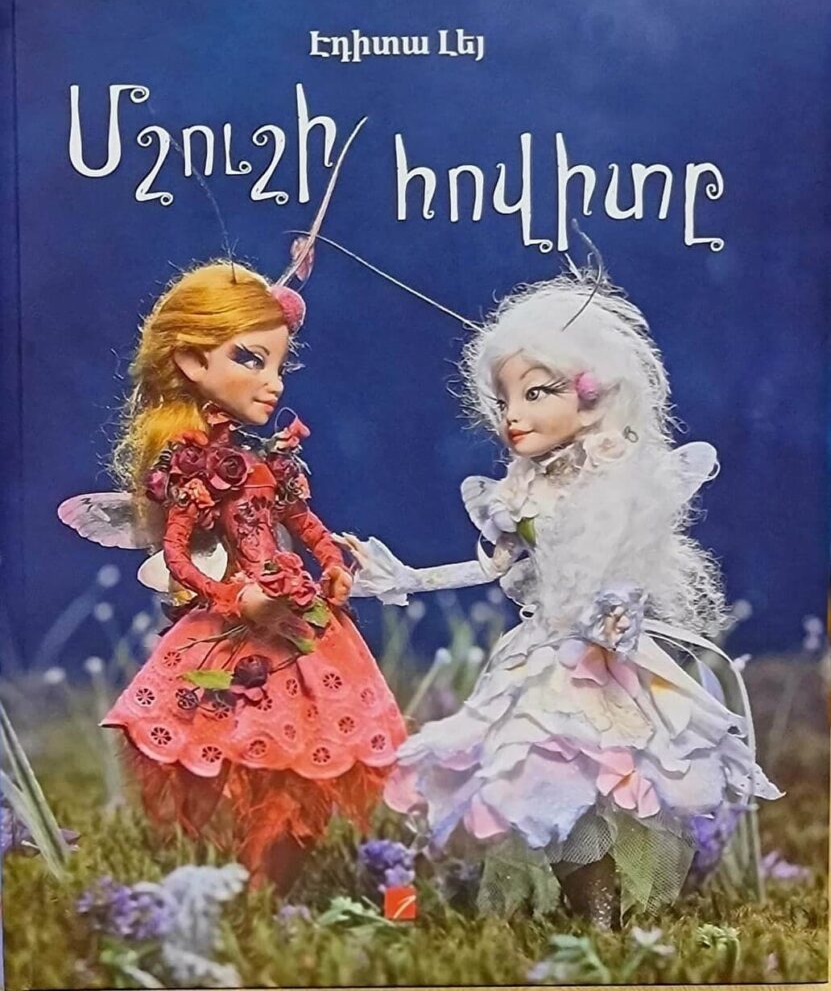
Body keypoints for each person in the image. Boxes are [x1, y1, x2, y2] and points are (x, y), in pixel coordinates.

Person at [346, 270, 781, 925]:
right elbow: (492, 567)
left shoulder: (615, 484)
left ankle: (605, 914)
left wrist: (614, 614)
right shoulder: (518, 494)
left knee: (615, 778)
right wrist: (404, 578)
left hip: (606, 656)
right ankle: (588, 911)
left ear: (591, 399)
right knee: (543, 775)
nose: (512, 415)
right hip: (543, 655)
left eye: (535, 393)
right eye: (504, 399)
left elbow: (627, 563)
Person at [63, 260, 406, 890]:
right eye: (251, 360)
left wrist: (332, 566)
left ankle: (276, 883)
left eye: (279, 366)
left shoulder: (268, 462)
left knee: (301, 752)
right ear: (194, 362)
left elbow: (305, 524)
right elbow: (177, 556)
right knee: (242, 735)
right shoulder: (195, 469)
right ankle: (256, 884)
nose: (273, 384)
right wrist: (234, 596)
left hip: (299, 620)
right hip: (235, 628)